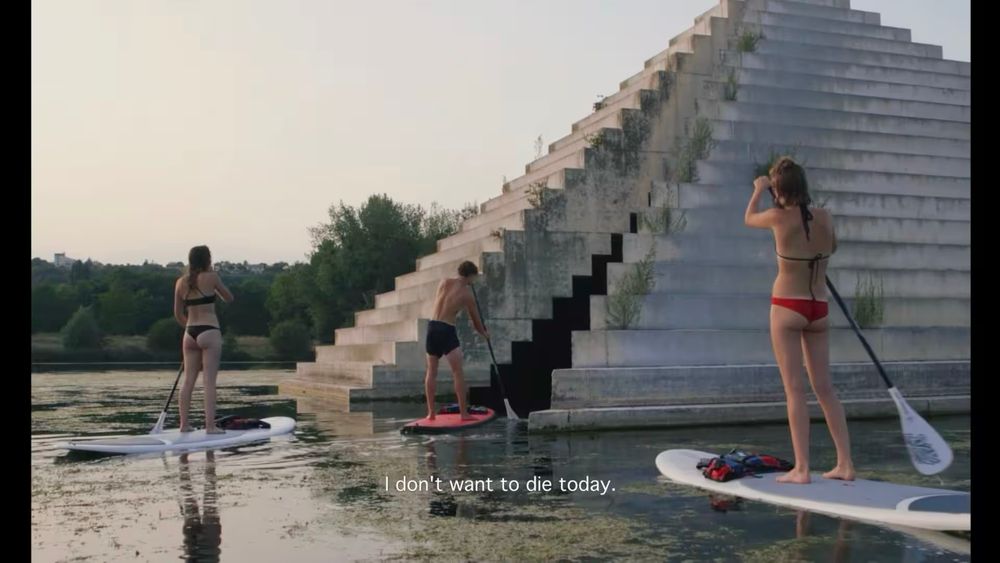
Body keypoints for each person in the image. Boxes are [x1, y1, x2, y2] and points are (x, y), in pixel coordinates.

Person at [744, 157, 855, 484]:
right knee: (825, 389)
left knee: (795, 389)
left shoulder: (777, 218)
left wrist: (758, 189)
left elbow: (748, 218)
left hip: (787, 307)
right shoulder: (825, 217)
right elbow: (832, 245)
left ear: (780, 190)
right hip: (818, 308)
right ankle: (845, 463)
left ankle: (802, 469)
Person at [173, 245, 234, 433]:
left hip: (189, 333)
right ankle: (210, 426)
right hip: (210, 331)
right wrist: (212, 290)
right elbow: (229, 298)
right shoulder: (212, 277)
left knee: (188, 381)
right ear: (208, 260)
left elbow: (177, 314)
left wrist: (191, 329)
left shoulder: (180, 282)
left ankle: (184, 425)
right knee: (209, 382)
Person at [424, 260, 489, 421]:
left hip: (432, 327)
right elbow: (476, 323)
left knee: (431, 372)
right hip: (446, 329)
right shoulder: (467, 295)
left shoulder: (444, 282)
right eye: (475, 278)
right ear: (471, 276)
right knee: (457, 372)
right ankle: (464, 414)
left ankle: (431, 412)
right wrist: (485, 334)